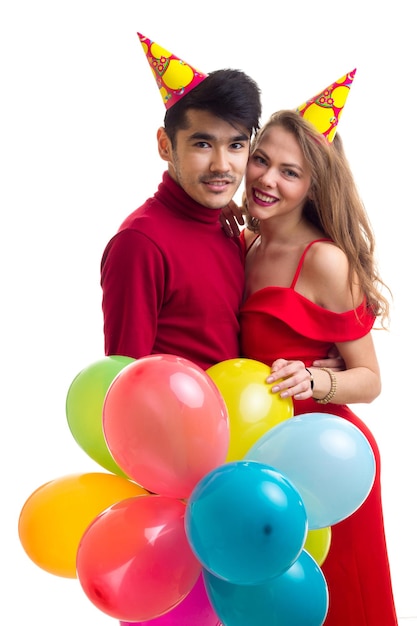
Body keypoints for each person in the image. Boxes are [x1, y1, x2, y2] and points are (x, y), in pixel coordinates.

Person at [238, 78, 397, 623]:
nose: (266, 179)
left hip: (327, 462)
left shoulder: (325, 261)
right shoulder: (246, 243)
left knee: (338, 603)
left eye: (290, 172)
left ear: (312, 186)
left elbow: (370, 380)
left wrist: (315, 381)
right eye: (261, 160)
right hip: (262, 456)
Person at [101, 33, 343, 373]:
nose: (221, 165)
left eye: (236, 146)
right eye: (202, 144)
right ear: (165, 145)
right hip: (182, 425)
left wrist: (323, 362)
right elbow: (124, 384)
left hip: (249, 422)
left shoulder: (232, 232)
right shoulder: (141, 243)